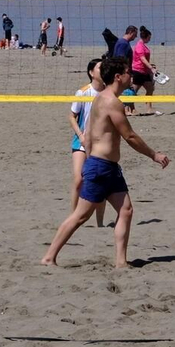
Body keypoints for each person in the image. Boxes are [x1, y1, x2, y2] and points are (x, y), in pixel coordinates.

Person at [41, 58, 170, 268]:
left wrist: (91, 157)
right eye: (128, 72)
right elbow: (130, 136)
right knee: (81, 216)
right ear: (118, 77)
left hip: (108, 167)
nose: (131, 75)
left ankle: (120, 262)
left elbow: (90, 134)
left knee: (126, 210)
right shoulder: (111, 102)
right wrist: (153, 155)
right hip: (101, 167)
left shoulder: (101, 98)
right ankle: (49, 257)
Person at [68, 59, 106, 228]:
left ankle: (100, 223)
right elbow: (71, 116)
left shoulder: (108, 92)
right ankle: (73, 218)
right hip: (81, 142)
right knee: (79, 179)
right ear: (91, 72)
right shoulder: (83, 92)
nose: (103, 70)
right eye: (100, 68)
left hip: (100, 143)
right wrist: (81, 135)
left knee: (100, 182)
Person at [130, 25, 160, 115]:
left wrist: (150, 66)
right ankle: (130, 109)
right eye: (149, 38)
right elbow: (142, 59)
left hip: (145, 71)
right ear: (146, 37)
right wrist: (151, 68)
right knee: (133, 91)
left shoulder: (143, 45)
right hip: (138, 71)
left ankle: (149, 108)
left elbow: (145, 60)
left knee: (150, 88)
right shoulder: (139, 45)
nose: (150, 39)